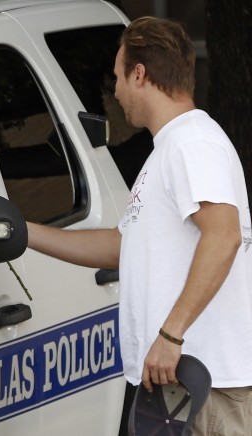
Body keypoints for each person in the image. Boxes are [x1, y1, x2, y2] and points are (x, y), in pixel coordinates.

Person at [27, 17, 252, 434]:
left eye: (117, 77)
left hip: (205, 385)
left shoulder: (192, 143)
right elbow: (121, 246)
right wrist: (22, 233)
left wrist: (170, 335)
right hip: (178, 385)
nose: (115, 91)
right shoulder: (169, 148)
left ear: (139, 73)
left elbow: (224, 234)